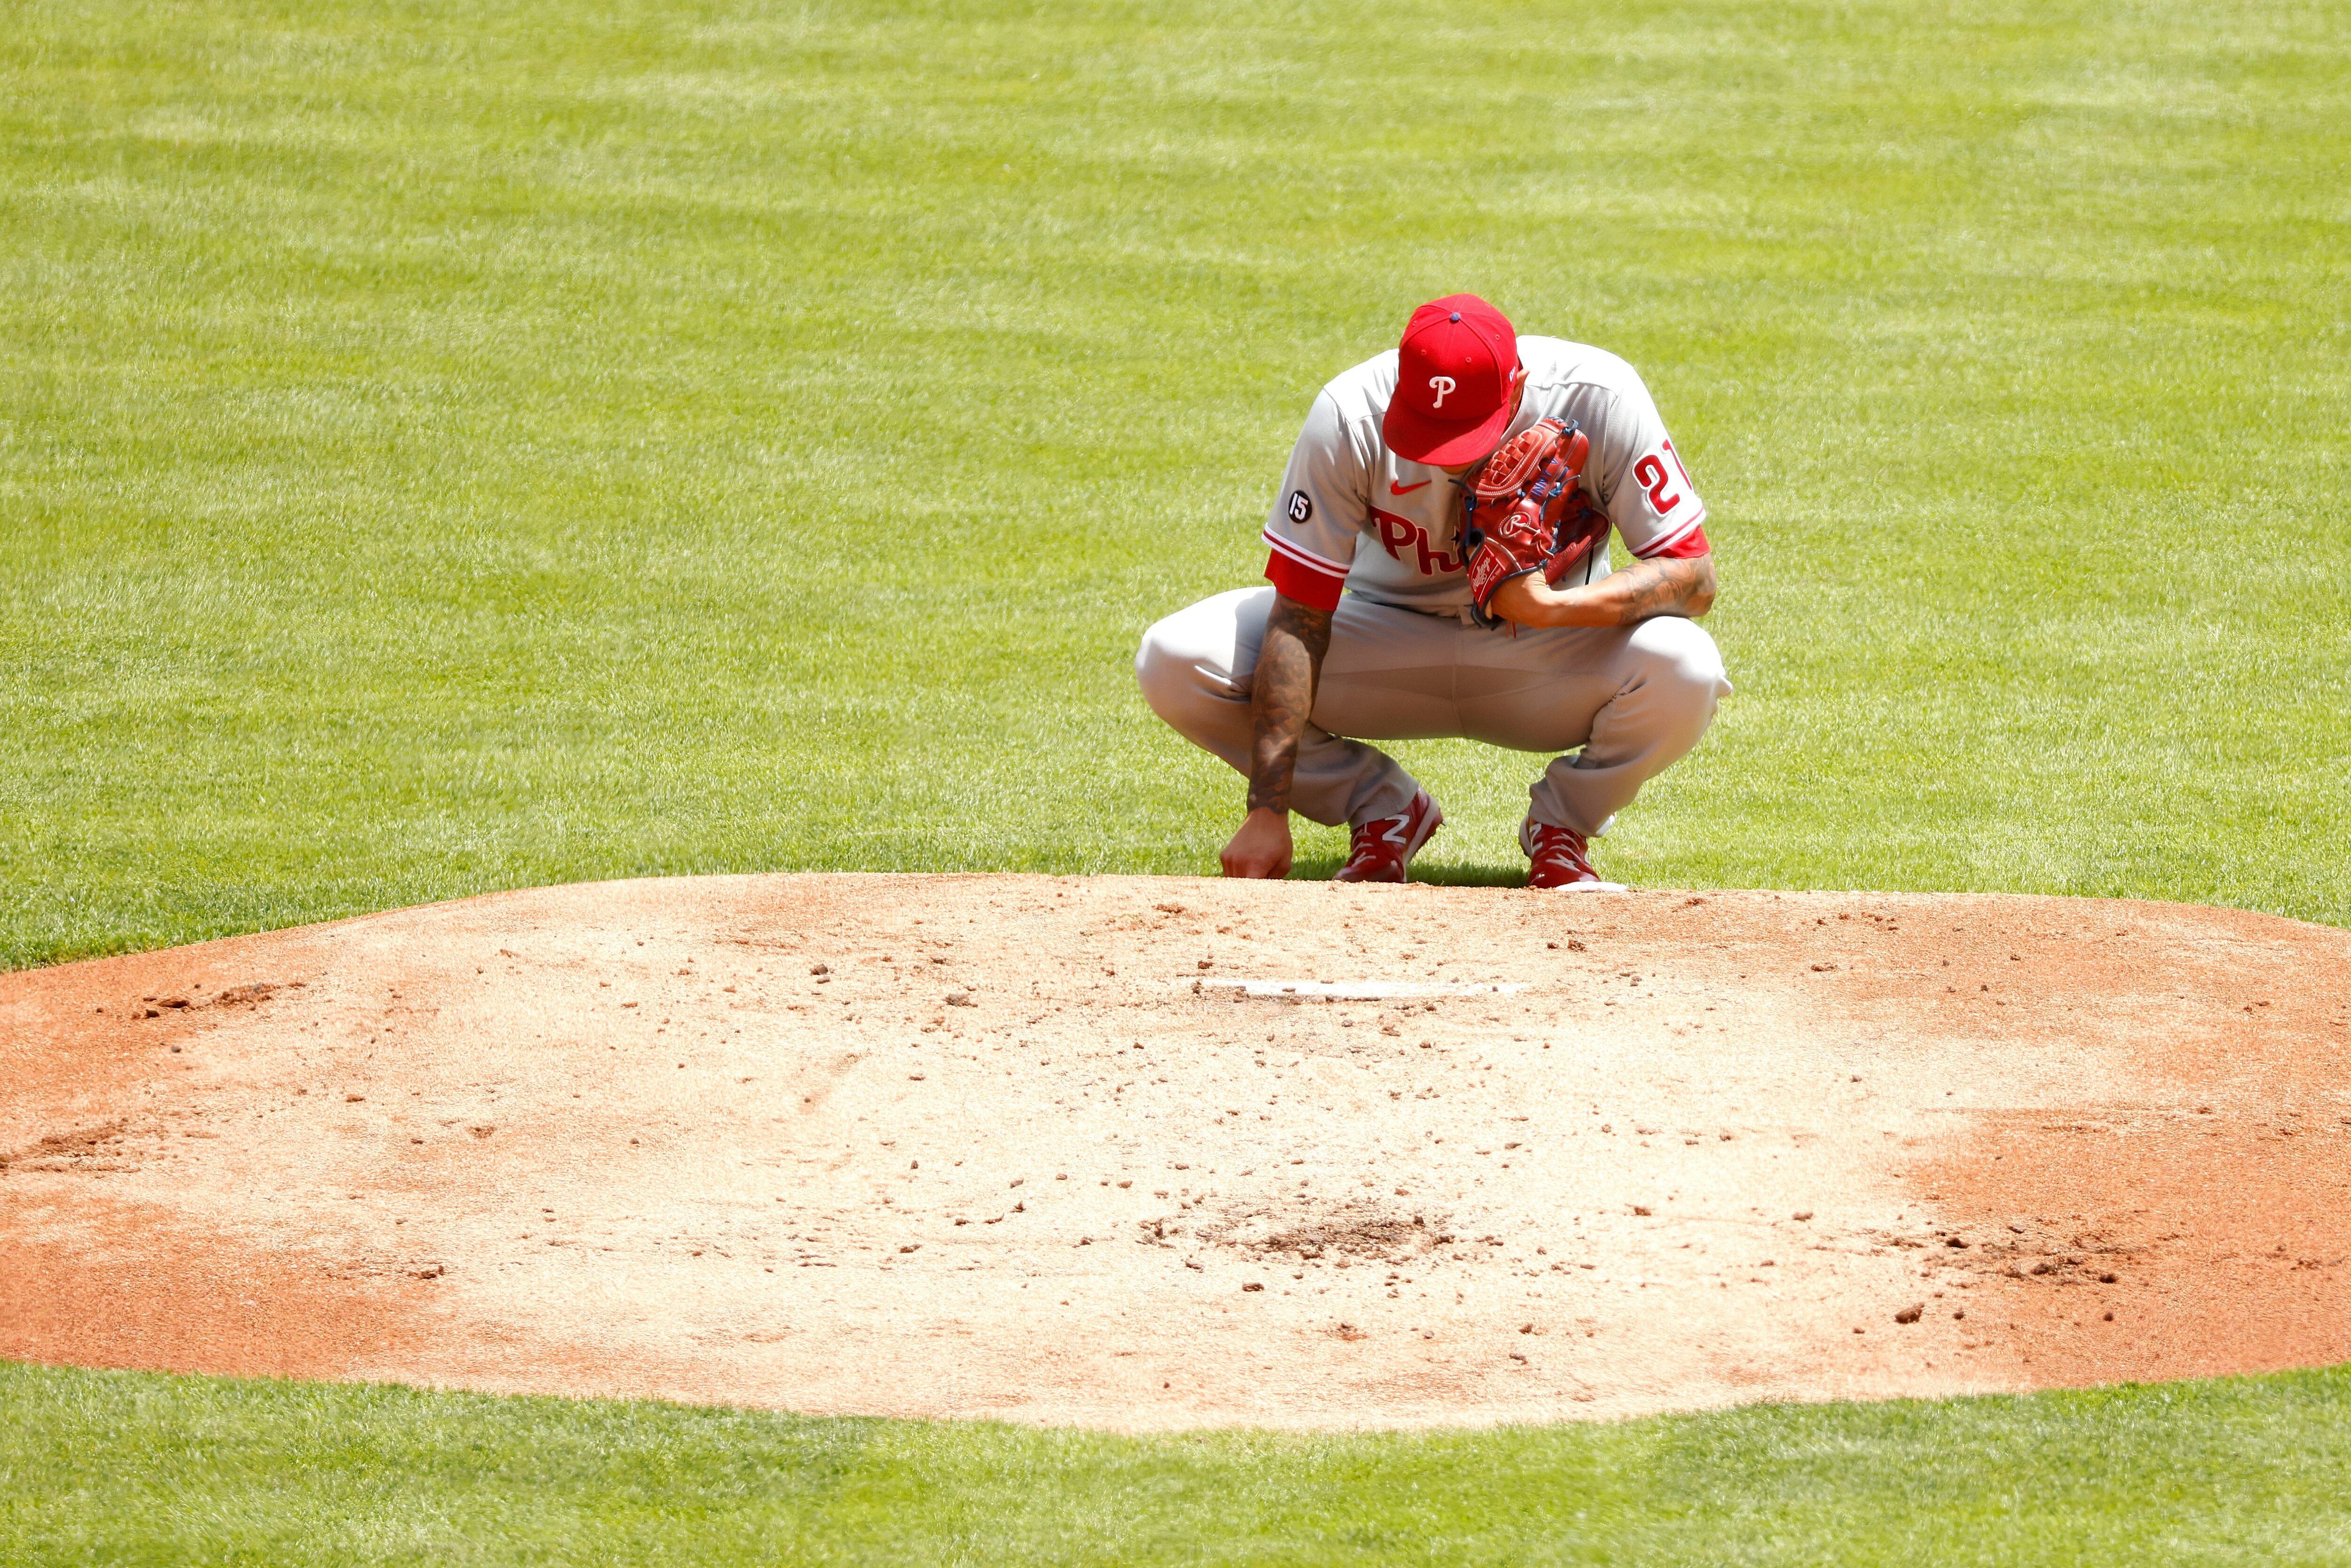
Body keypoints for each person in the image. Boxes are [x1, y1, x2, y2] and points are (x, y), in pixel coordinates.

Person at [1136, 293, 1729, 888]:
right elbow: (1299, 614)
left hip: (1541, 655)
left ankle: (1562, 827)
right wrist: (1266, 808)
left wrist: (1549, 608)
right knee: (1174, 658)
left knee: (1686, 665)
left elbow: (1693, 576)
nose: (1447, 459)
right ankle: (1381, 806)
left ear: (1516, 386)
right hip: (1383, 639)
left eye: (1467, 436)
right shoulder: (1349, 414)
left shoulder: (1600, 396)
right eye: (1428, 433)